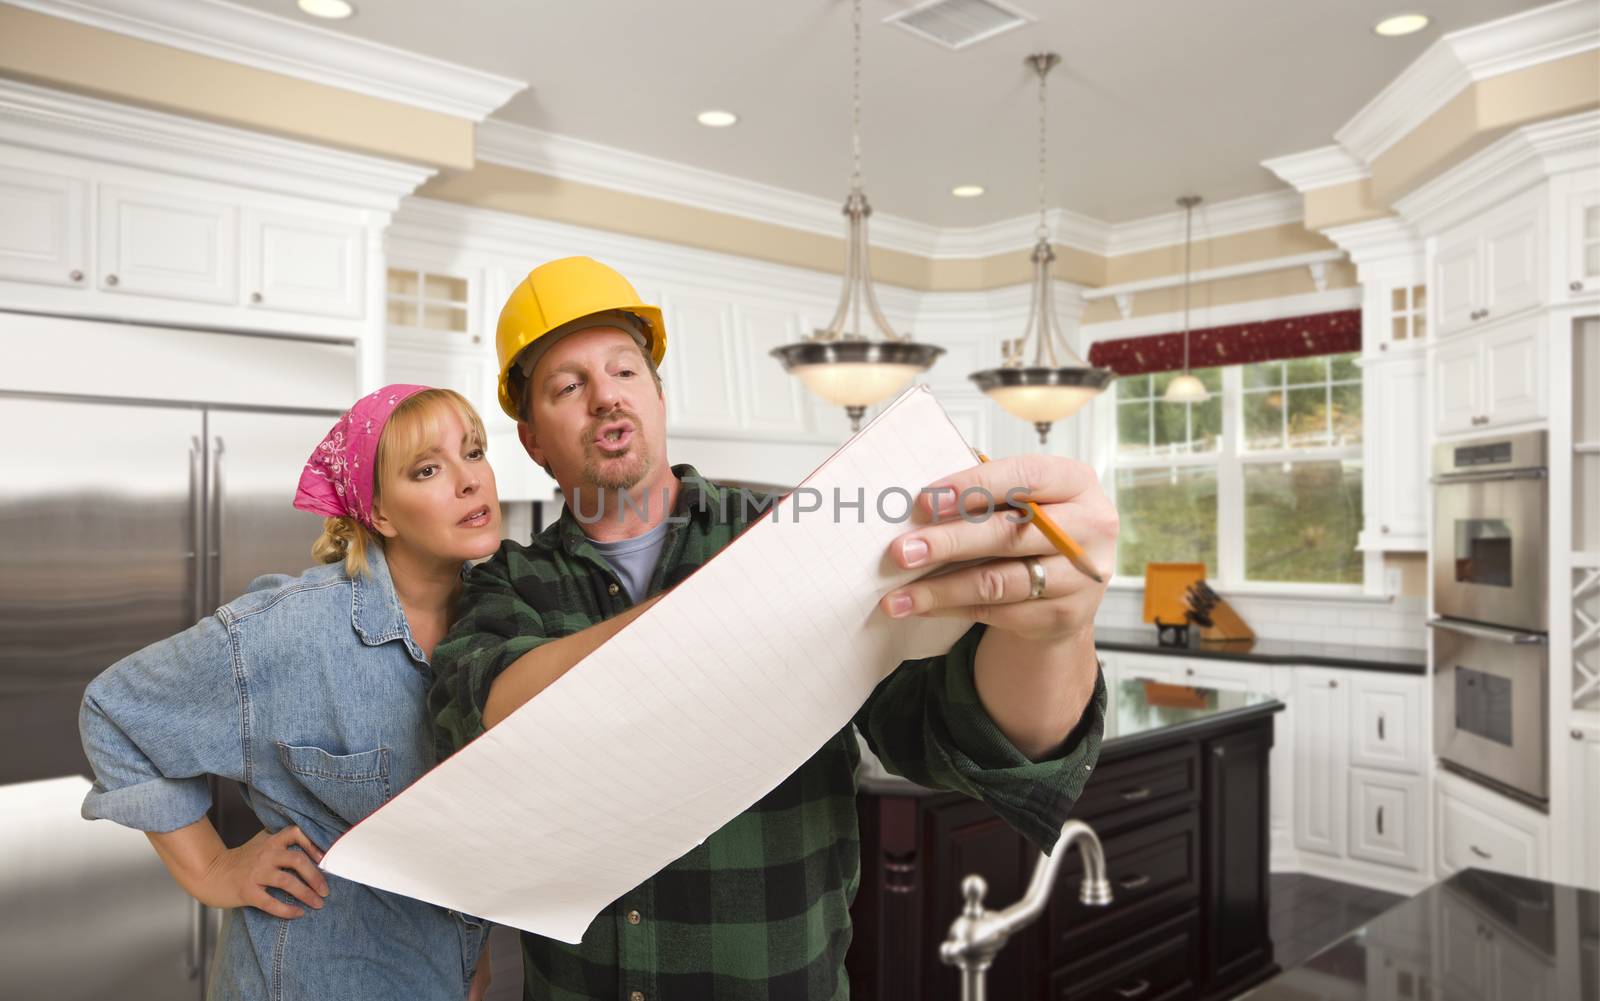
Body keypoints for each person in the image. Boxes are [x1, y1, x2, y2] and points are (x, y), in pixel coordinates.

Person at [430, 256, 1117, 1000]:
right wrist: (736, 604)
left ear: (658, 394)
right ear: (532, 441)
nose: (605, 398)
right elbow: (481, 716)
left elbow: (956, 729)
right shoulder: (507, 581)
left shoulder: (797, 533)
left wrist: (1054, 631)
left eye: (625, 372)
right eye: (569, 387)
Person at [79, 386, 503, 1001]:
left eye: (475, 452)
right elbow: (114, 711)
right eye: (429, 469)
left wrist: (474, 953)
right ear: (378, 512)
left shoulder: (500, 622)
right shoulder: (292, 630)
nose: (470, 482)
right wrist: (212, 867)